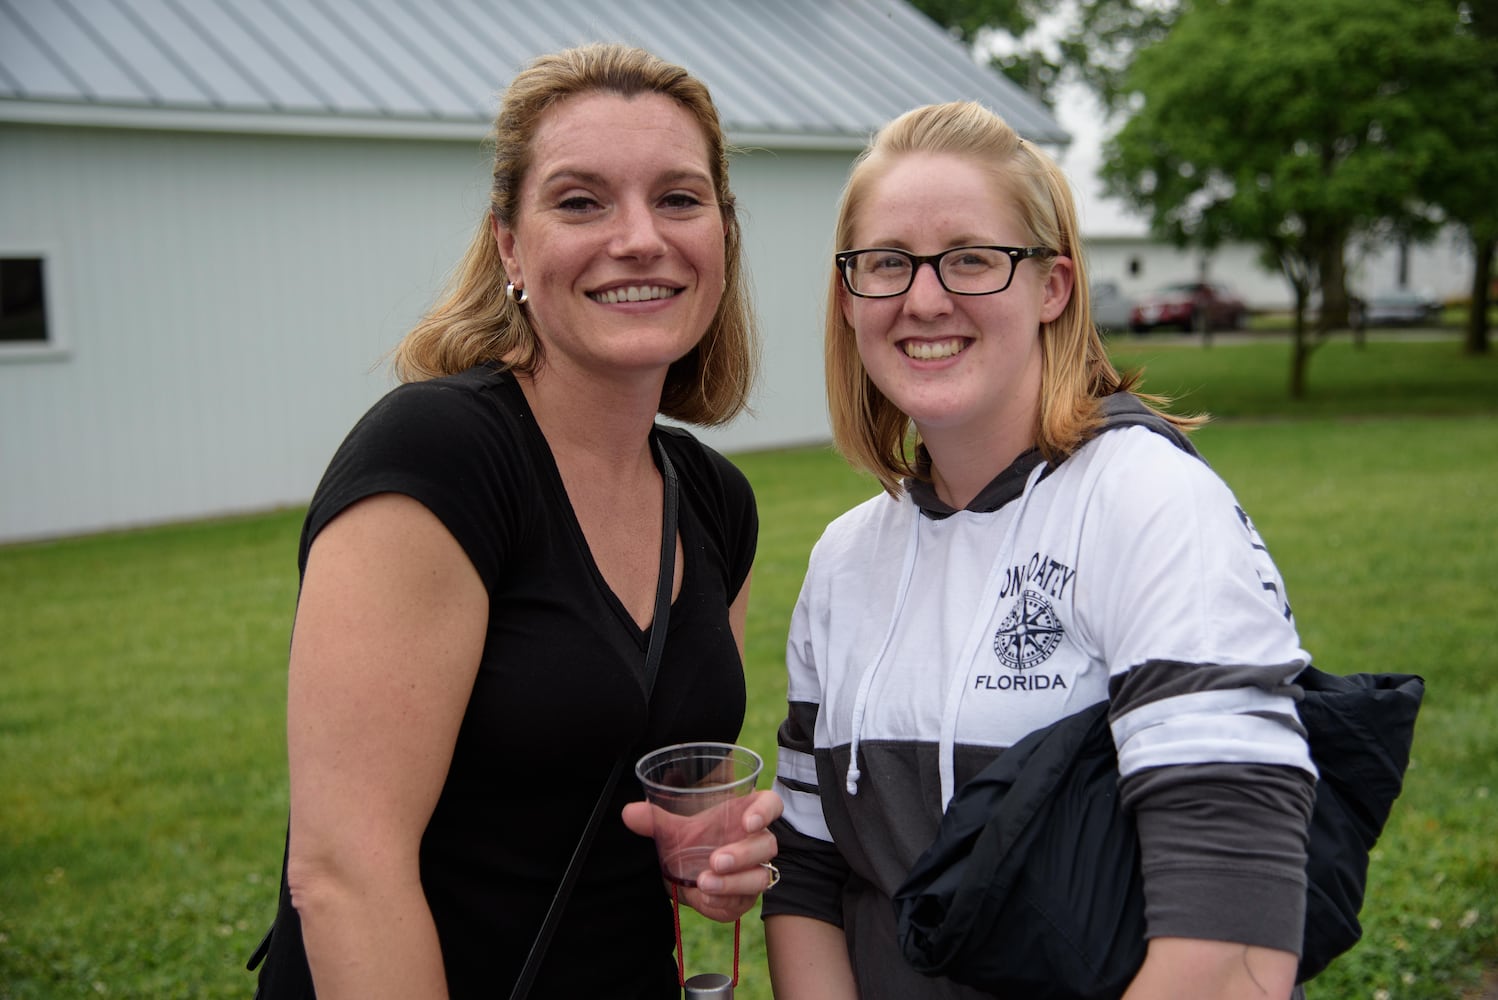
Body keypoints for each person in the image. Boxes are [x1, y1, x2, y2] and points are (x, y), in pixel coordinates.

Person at [250, 43, 782, 1000]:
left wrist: (702, 855)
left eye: (679, 198)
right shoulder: (439, 454)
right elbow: (342, 874)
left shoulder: (715, 501)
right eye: (581, 201)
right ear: (509, 245)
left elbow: (660, 801)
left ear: (723, 235)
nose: (639, 238)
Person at [762, 101, 1318, 999]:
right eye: (887, 262)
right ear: (848, 294)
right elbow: (811, 872)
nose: (925, 298)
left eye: (973, 259)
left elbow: (1233, 936)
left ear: (1052, 287)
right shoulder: (843, 561)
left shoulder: (1149, 504)